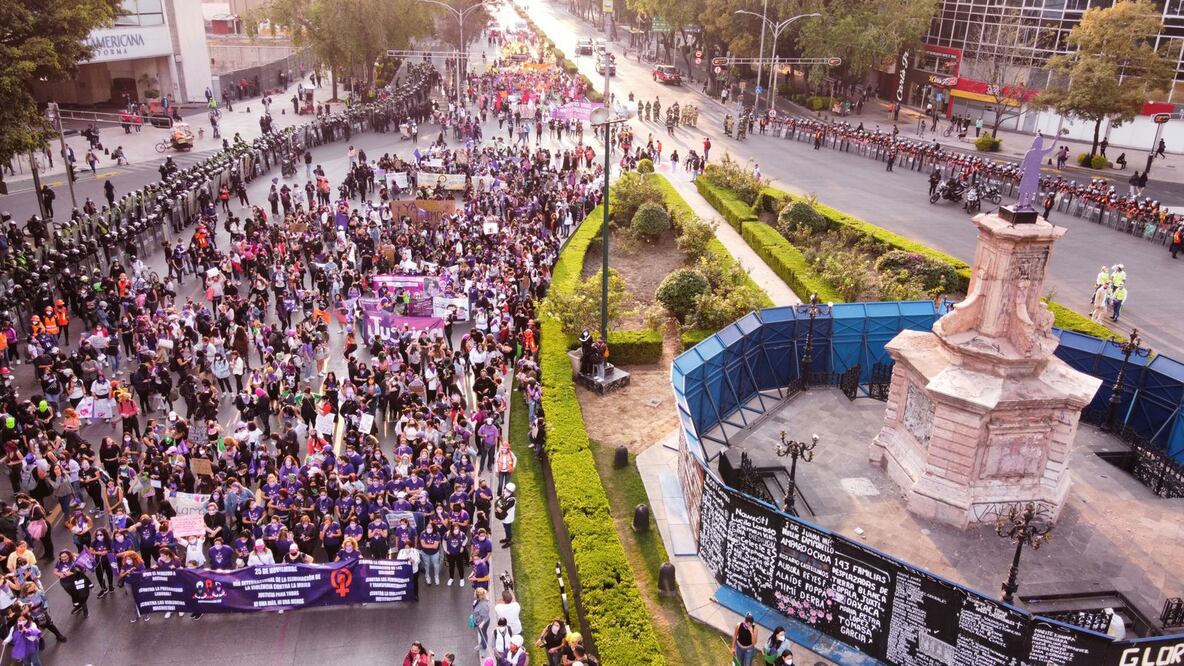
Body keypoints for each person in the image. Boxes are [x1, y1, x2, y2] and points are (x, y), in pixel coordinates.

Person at [473, 587, 492, 656]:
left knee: (483, 634)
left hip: (482, 623)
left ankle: (484, 647)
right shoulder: (478, 601)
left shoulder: (483, 606)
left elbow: (486, 617)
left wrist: (482, 623)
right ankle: (482, 643)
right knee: (482, 634)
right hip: (479, 621)